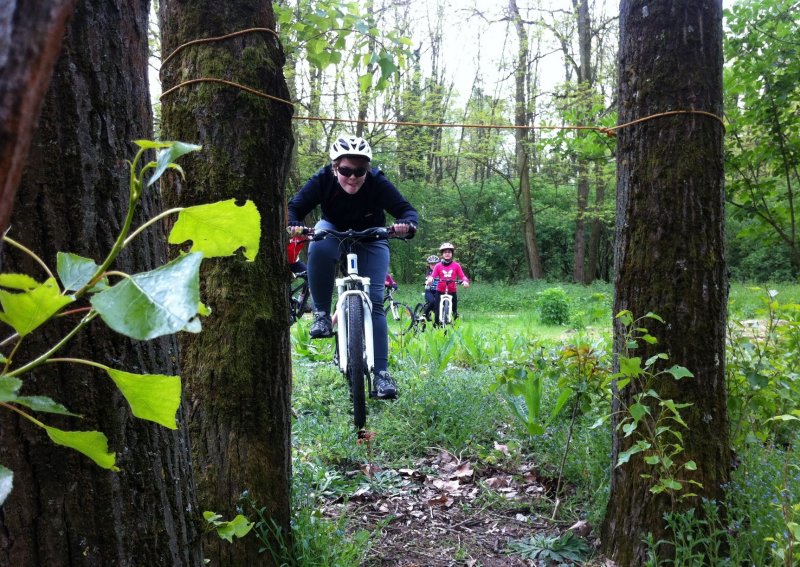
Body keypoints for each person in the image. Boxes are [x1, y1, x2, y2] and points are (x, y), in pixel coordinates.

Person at [287, 134, 418, 399]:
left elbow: (407, 210)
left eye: (360, 171)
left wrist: (406, 225)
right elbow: (294, 208)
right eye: (346, 170)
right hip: (332, 230)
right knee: (319, 246)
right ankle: (323, 316)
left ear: (367, 169)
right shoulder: (322, 179)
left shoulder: (377, 182)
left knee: (376, 301)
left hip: (372, 236)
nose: (353, 177)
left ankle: (381, 374)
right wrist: (293, 225)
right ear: (335, 167)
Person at [426, 242, 470, 324]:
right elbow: (433, 275)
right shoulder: (438, 266)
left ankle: (453, 330)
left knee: (454, 312)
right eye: (445, 252)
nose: (447, 254)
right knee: (437, 311)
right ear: (442, 254)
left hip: (452, 291)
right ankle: (436, 329)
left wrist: (465, 281)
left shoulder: (456, 265)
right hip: (440, 291)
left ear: (452, 254)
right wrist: (430, 279)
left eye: (449, 252)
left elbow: (462, 276)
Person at [423, 254, 440, 321]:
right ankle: (425, 314)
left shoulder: (440, 271)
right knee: (432, 302)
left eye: (435, 264)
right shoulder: (429, 272)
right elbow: (428, 278)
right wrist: (428, 281)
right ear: (429, 265)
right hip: (429, 291)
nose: (433, 266)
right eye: (431, 264)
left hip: (438, 291)